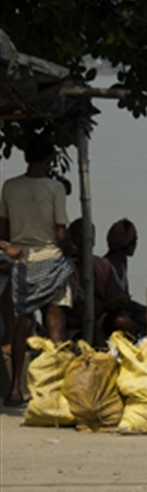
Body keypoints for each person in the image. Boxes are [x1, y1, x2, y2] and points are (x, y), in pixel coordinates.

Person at [0, 136, 74, 406]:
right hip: (51, 260)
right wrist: (72, 251)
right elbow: (61, 233)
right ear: (49, 161)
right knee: (56, 326)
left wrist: (9, 246)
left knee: (22, 326)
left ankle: (15, 391)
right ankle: (57, 391)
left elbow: (3, 230)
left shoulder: (10, 187)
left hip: (23, 263)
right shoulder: (55, 188)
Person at [65, 219, 138, 346]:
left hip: (99, 316)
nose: (82, 241)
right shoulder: (63, 268)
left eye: (88, 237)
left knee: (124, 321)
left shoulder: (102, 265)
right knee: (97, 337)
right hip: (72, 321)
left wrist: (115, 303)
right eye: (77, 236)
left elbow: (109, 298)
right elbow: (70, 310)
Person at [104, 218, 147, 333]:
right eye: (134, 241)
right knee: (124, 321)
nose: (136, 244)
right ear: (127, 243)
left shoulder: (122, 262)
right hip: (106, 313)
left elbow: (126, 298)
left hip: (122, 309)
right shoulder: (105, 266)